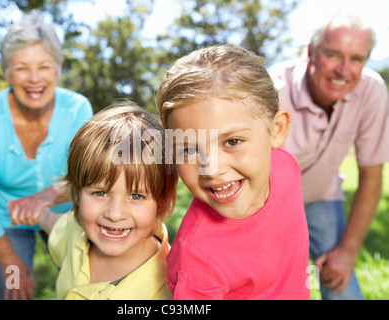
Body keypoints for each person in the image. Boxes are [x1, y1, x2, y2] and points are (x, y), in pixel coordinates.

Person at [156, 44, 310, 300]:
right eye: (189, 150)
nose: (212, 169)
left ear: (277, 129)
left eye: (232, 142)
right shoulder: (196, 256)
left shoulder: (286, 166)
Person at [0, 11, 93, 300]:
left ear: (58, 69)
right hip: (6, 217)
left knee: (86, 287)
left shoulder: (78, 109)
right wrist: (10, 260)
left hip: (64, 211)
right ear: (6, 72)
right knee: (14, 290)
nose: (34, 79)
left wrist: (47, 196)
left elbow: (85, 176)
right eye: (21, 68)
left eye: (44, 66)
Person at [271, 11, 389, 300]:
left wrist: (347, 252)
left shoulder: (372, 90)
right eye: (333, 55)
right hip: (267, 205)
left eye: (357, 59)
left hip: (321, 197)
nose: (344, 70)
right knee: (273, 287)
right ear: (311, 52)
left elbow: (372, 174)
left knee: (340, 279)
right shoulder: (272, 90)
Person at [10, 103, 179, 300]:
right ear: (76, 194)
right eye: (100, 193)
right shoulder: (75, 232)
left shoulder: (169, 289)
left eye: (136, 196)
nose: (115, 214)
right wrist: (35, 212)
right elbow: (51, 223)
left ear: (161, 203)